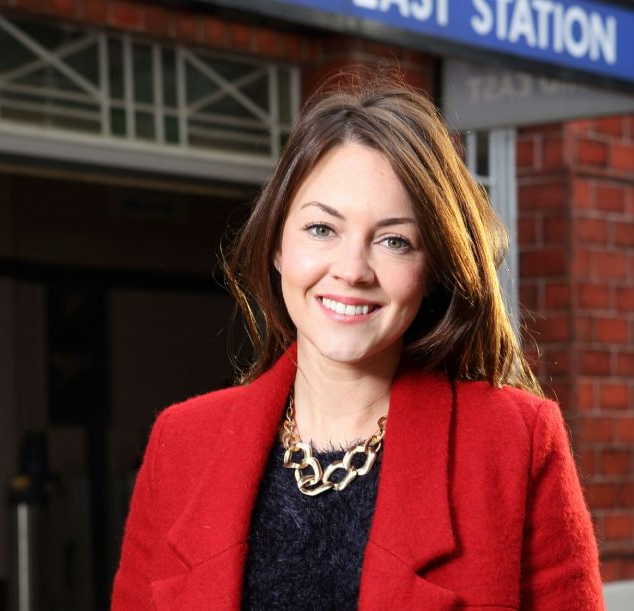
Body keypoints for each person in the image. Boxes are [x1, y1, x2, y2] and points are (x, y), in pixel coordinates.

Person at [112, 74, 604, 610]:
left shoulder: (515, 444)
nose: (351, 271)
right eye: (322, 229)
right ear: (277, 243)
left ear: (433, 269)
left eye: (394, 241)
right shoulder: (180, 445)